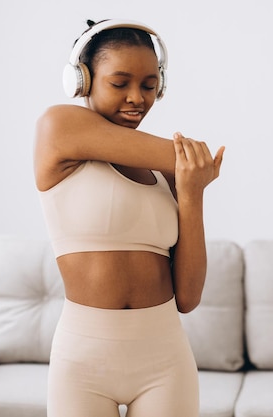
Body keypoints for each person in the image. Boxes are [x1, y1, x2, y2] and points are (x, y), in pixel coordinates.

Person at [34, 19, 225, 417]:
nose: (137, 98)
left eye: (150, 85)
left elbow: (187, 298)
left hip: (165, 357)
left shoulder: (167, 174)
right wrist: (191, 167)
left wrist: (191, 193)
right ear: (81, 81)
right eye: (119, 84)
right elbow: (190, 158)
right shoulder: (59, 127)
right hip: (82, 361)